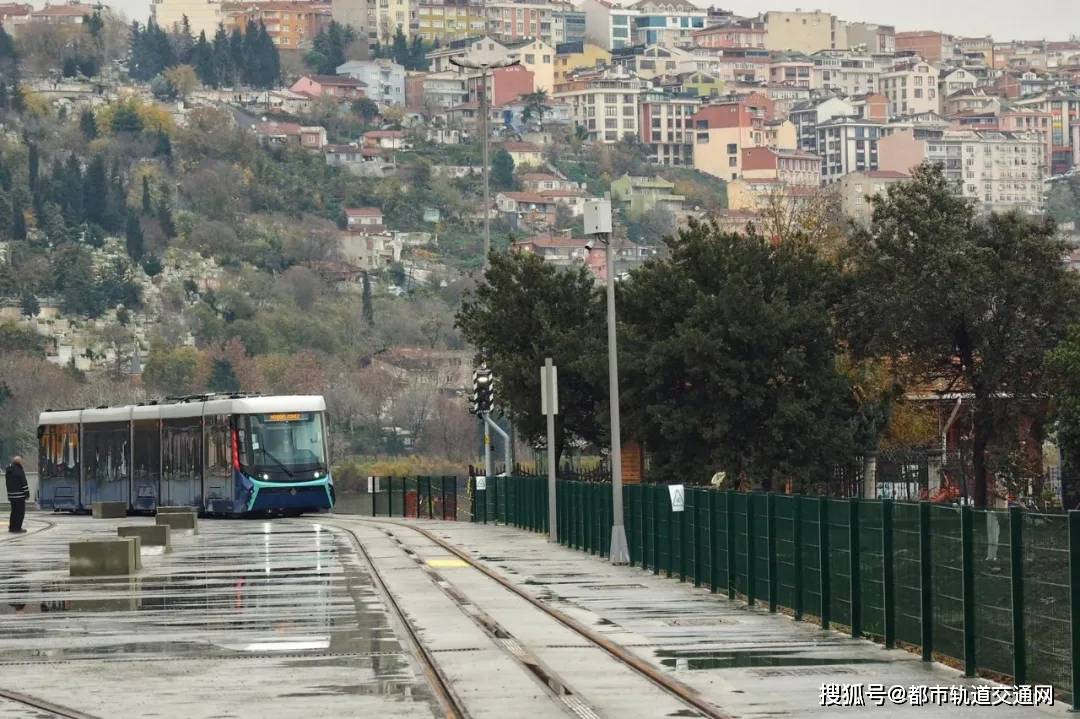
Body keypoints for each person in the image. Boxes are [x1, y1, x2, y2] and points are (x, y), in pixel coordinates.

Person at [5, 456, 28, 533]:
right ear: (19, 462)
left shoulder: (8, 470)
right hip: (20, 496)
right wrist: (27, 493)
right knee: (20, 512)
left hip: (11, 495)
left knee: (13, 512)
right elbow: (24, 482)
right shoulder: (19, 470)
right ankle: (17, 528)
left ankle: (12, 527)